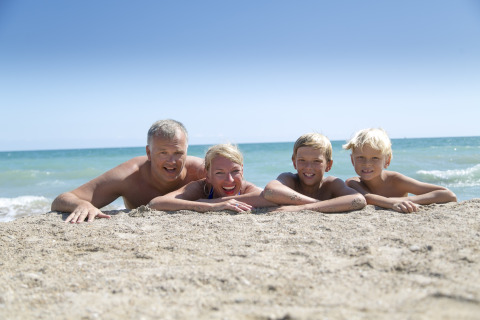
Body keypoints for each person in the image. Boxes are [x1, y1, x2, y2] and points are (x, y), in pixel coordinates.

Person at [51, 119, 205, 223]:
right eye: (163, 153)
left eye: (178, 153)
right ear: (149, 153)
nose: (171, 161)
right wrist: (81, 205)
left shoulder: (201, 171)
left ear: (186, 151)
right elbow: (62, 199)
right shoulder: (129, 176)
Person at [343, 128, 457, 213]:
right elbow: (366, 197)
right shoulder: (352, 183)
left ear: (387, 161)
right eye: (360, 157)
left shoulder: (395, 180)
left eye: (375, 158)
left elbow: (448, 195)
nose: (367, 163)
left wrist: (408, 200)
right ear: (352, 160)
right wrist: (393, 203)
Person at [148, 143, 276, 212]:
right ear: (208, 175)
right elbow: (156, 203)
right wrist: (212, 205)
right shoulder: (201, 188)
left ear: (242, 170)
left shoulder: (247, 189)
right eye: (220, 172)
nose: (230, 180)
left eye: (235, 171)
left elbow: (272, 199)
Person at [263, 133, 366, 213]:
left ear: (329, 165)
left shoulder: (331, 184)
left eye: (316, 161)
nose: (308, 167)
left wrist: (305, 207)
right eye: (302, 160)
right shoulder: (290, 179)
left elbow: (359, 200)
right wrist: (319, 204)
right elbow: (269, 191)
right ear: (294, 163)